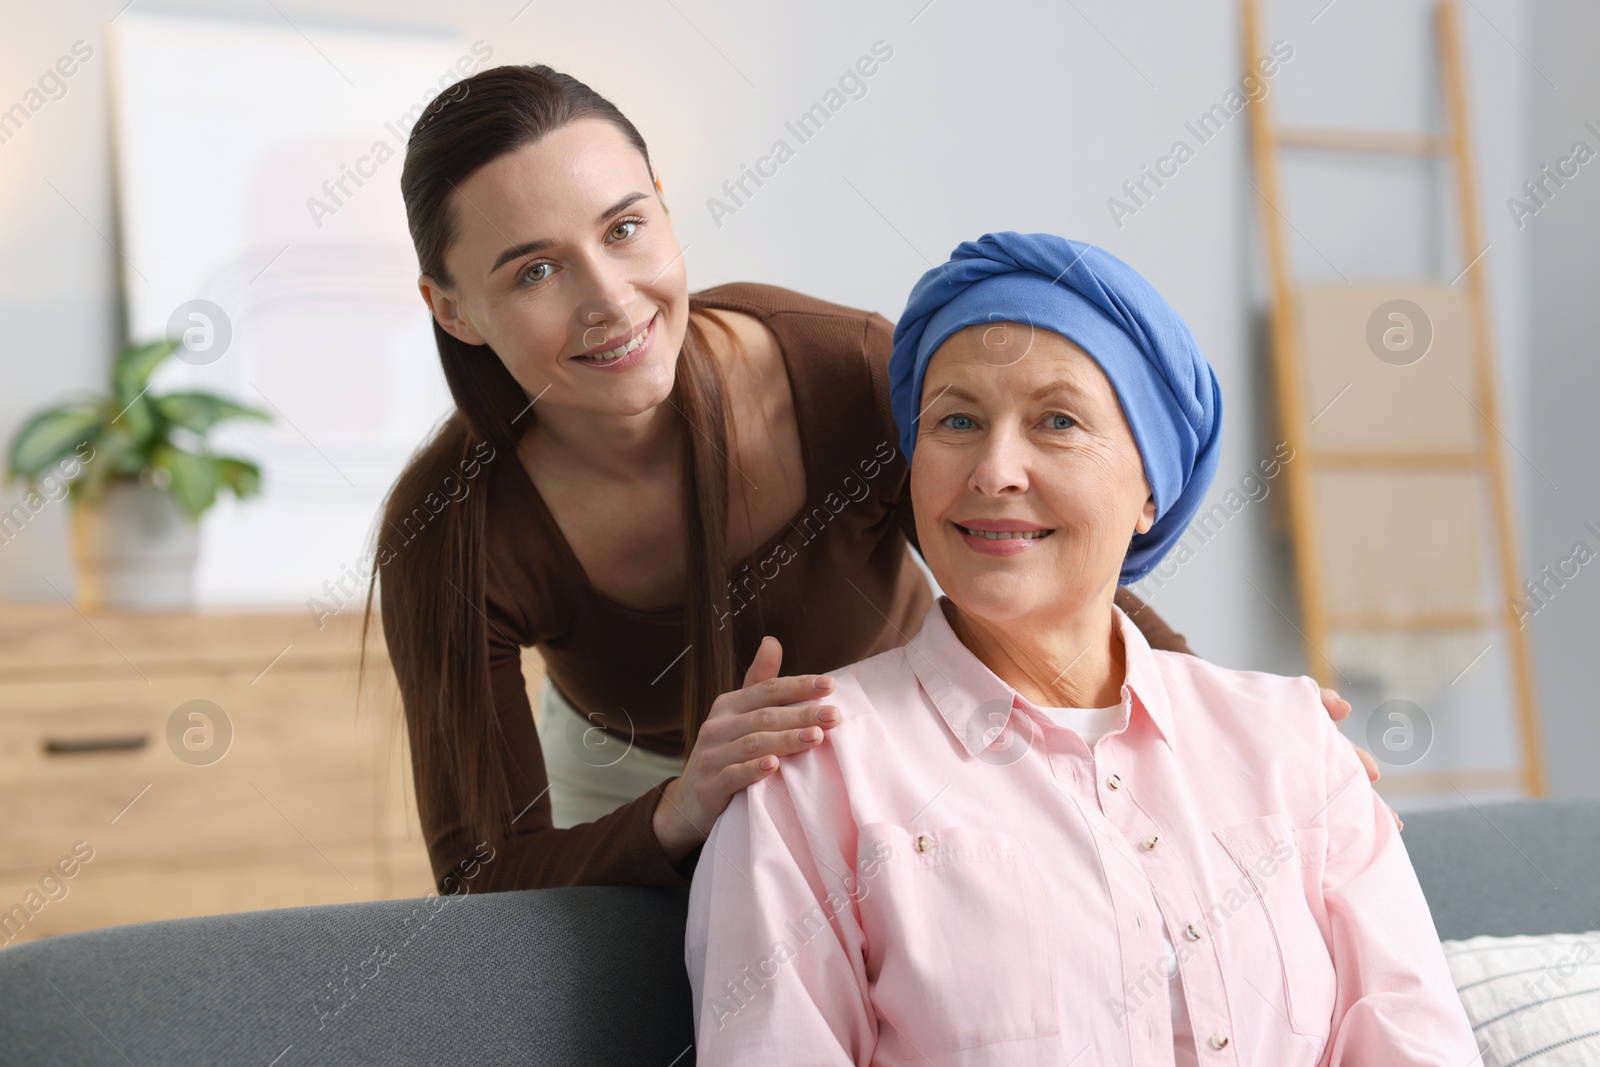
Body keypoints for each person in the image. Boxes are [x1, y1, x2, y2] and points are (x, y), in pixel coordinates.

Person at [368, 64, 1373, 897]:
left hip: (889, 740)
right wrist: (680, 807)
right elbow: (482, 872)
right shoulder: (452, 534)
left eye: (624, 228)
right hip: (630, 790)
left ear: (664, 209)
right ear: (451, 308)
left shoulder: (838, 372)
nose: (608, 299)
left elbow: (1031, 550)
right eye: (533, 271)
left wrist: (1227, 722)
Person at [685, 233, 1475, 1065]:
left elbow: (1413, 1041)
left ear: (1150, 490)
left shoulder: (1296, 744)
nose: (994, 470)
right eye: (956, 419)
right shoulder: (810, 769)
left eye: (1056, 421)